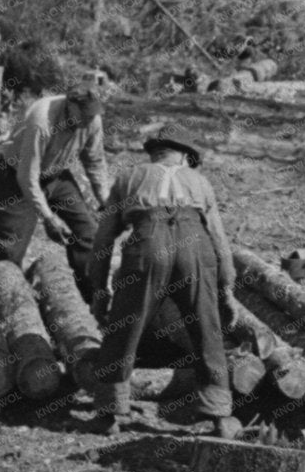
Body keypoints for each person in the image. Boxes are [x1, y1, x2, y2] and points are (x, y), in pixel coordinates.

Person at [83, 124, 243, 438]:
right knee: (206, 329)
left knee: (124, 327)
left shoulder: (129, 178)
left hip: (147, 243)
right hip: (194, 245)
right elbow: (221, 243)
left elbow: (103, 240)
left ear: (155, 153)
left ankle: (108, 413)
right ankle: (220, 414)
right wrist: (227, 290)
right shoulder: (200, 181)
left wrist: (100, 290)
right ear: (184, 156)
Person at [0, 73, 109, 279]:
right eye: (84, 114)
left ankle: (86, 296)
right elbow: (27, 177)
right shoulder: (41, 120)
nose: (88, 120)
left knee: (88, 233)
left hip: (55, 175)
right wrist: (48, 217)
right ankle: (1, 293)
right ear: (70, 103)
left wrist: (105, 200)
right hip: (15, 177)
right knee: (10, 249)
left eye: (91, 115)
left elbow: (95, 162)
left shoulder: (92, 120)